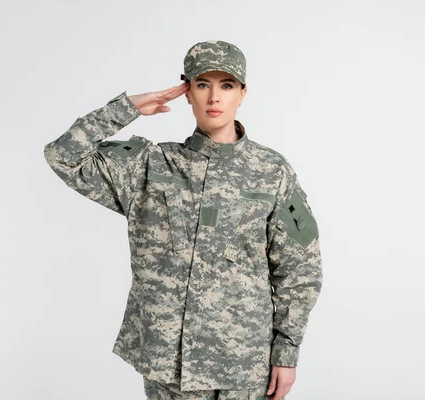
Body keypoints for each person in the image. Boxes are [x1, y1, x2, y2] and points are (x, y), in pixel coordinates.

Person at [43, 40, 323, 400]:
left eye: (226, 85)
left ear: (242, 93)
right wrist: (125, 109)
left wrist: (287, 353)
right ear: (187, 92)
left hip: (243, 367)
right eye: (202, 84)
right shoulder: (151, 166)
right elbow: (63, 156)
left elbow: (300, 269)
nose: (214, 98)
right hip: (168, 367)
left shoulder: (272, 172)